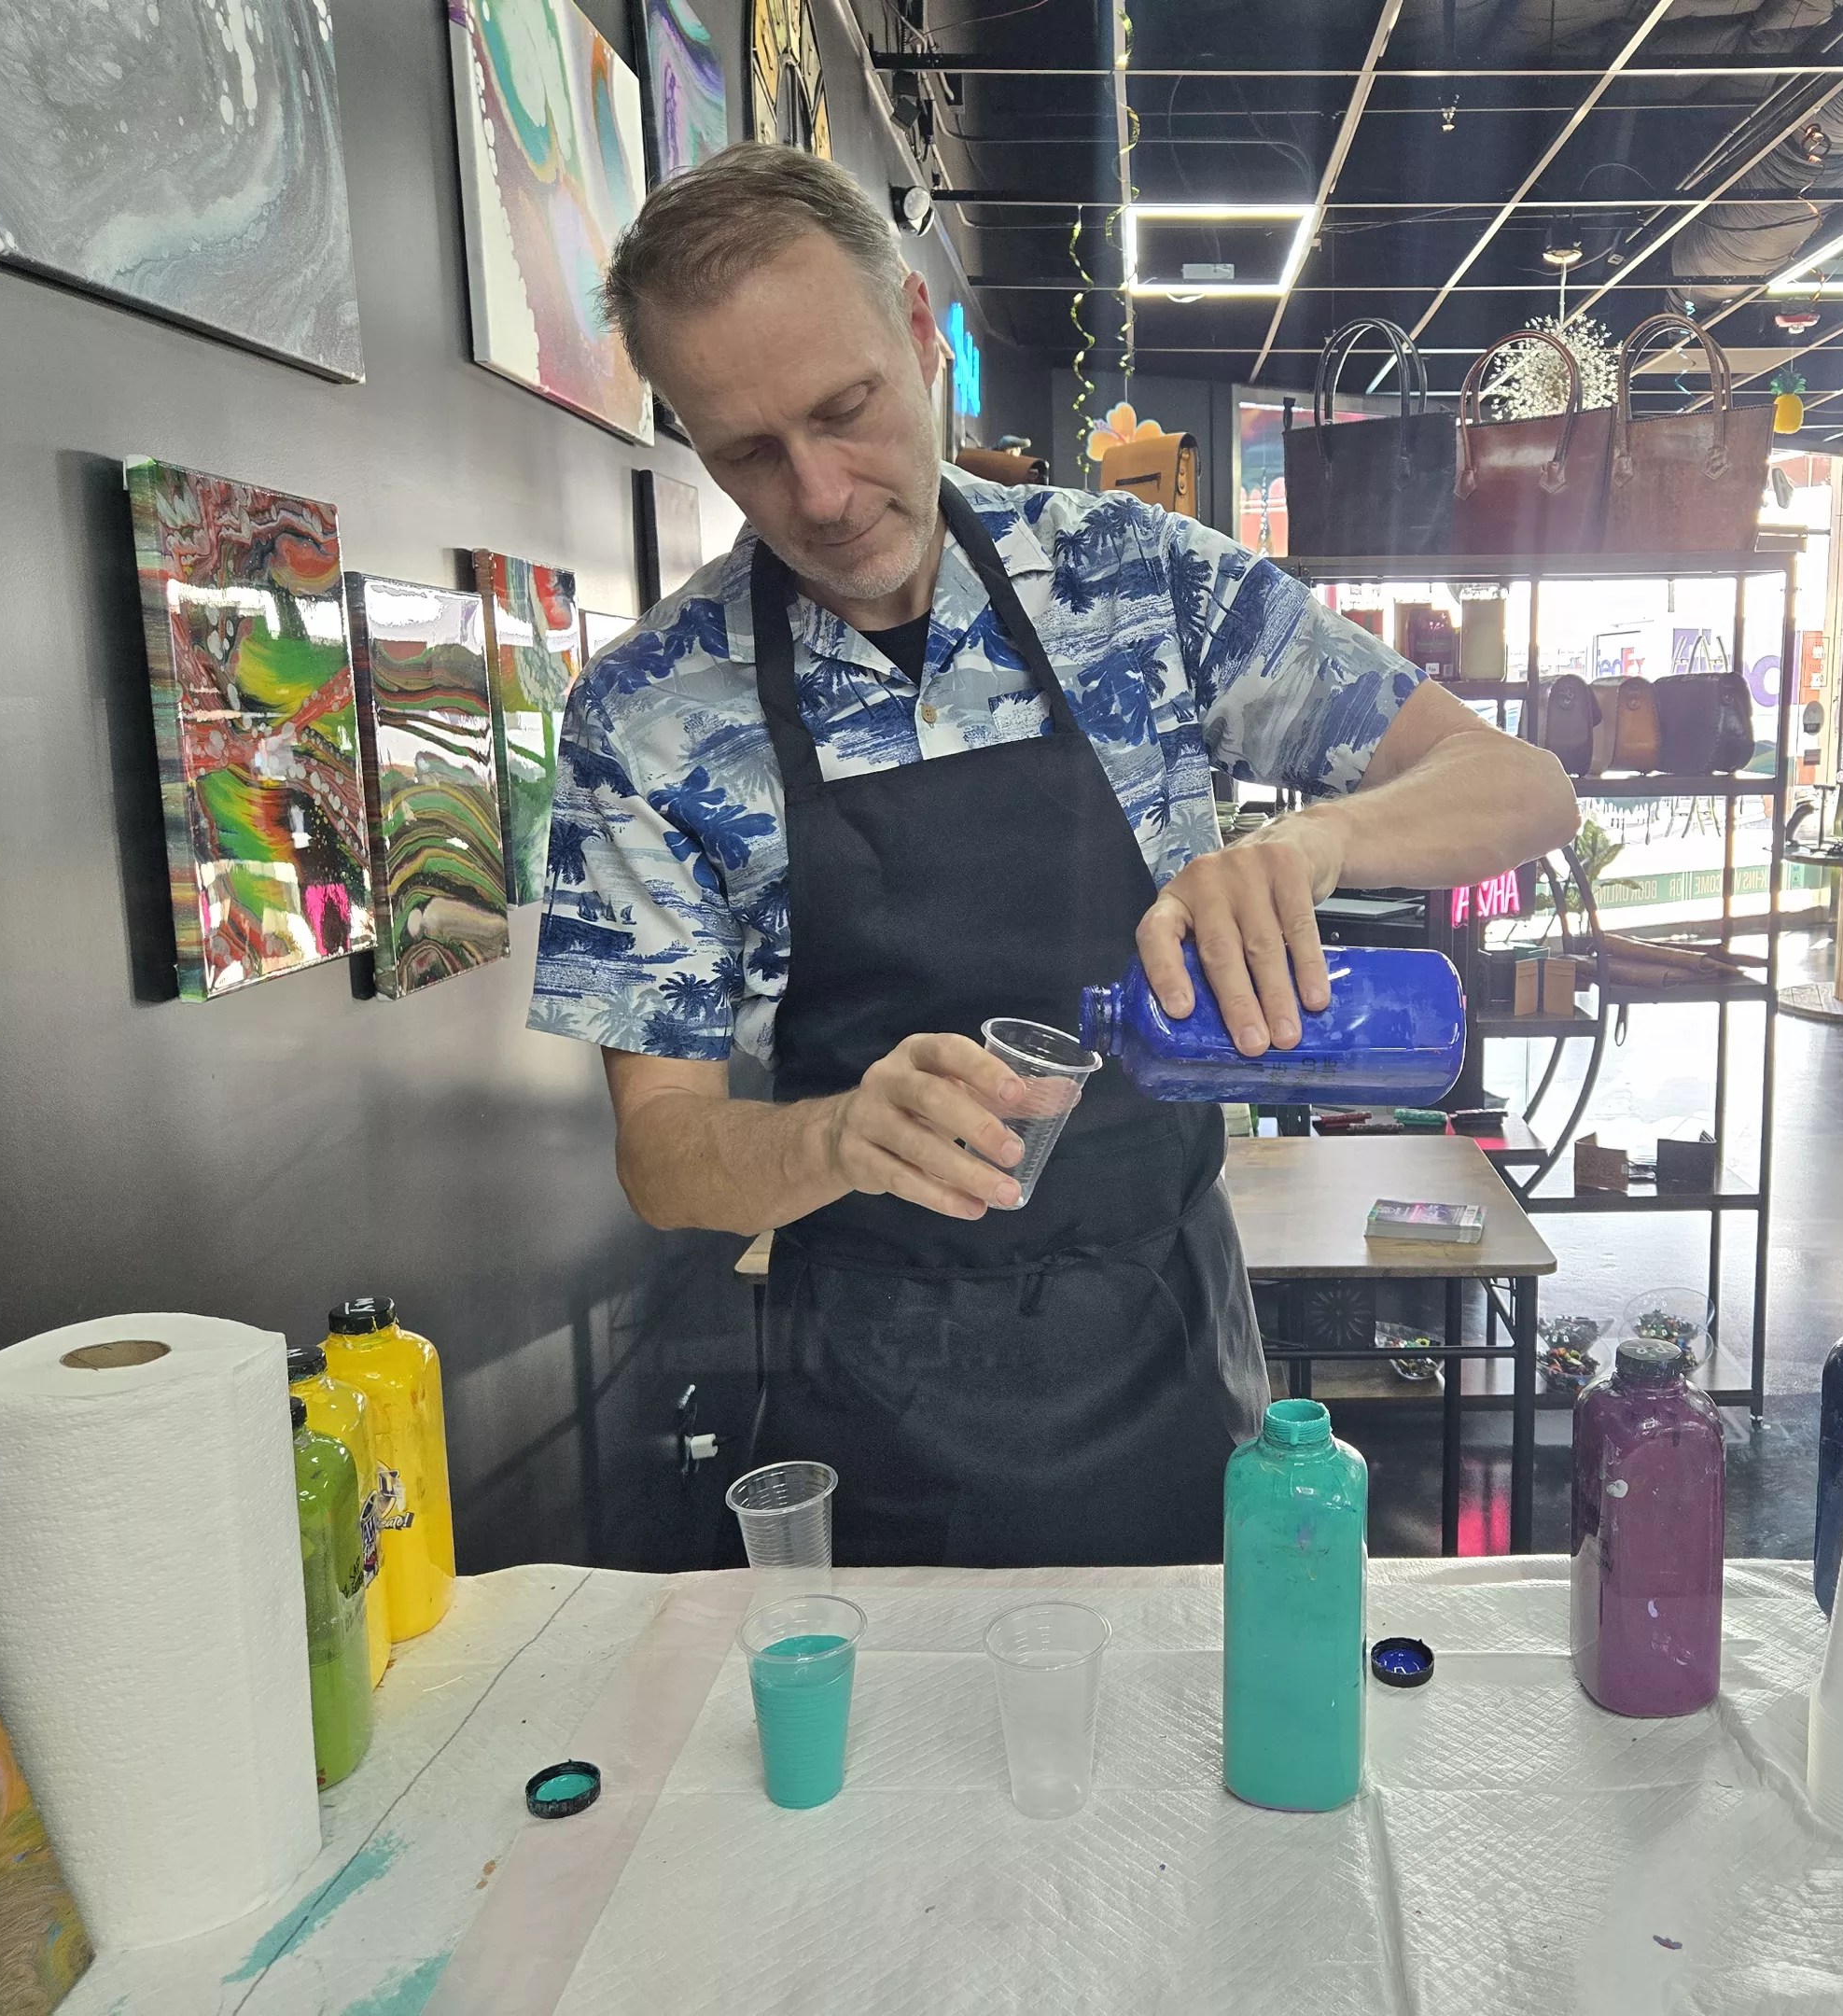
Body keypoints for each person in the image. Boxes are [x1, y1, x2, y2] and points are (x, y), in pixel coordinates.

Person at [528, 146, 1576, 1567]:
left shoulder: (1133, 582)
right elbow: (663, 1157)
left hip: (1167, 1353)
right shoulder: (647, 713)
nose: (821, 493)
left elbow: (1522, 787)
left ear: (918, 332)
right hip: (873, 1402)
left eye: (845, 410)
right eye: (748, 454)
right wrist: (834, 1136)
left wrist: (1318, 838)